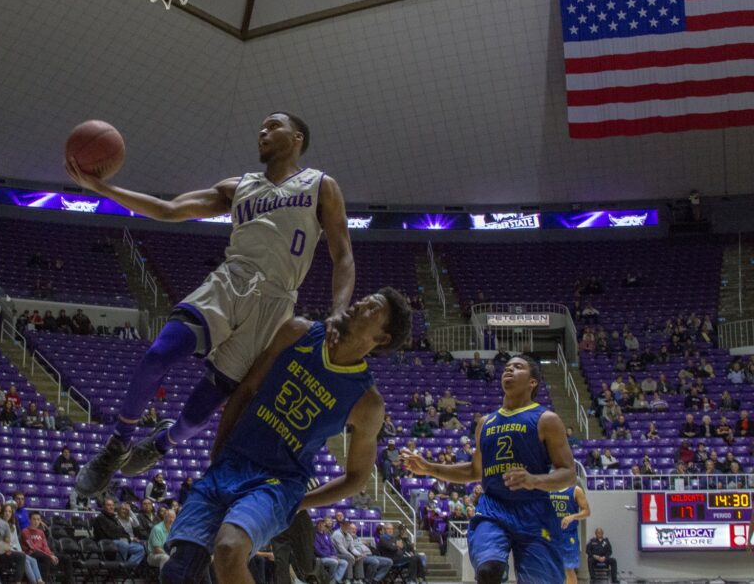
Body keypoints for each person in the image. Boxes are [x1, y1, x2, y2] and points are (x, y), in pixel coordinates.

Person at [70, 112, 356, 496]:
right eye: (261, 126)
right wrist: (104, 189)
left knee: (201, 413)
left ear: (298, 137)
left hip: (275, 305)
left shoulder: (321, 185)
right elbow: (169, 209)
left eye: (274, 126)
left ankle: (162, 444)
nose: (263, 131)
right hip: (228, 283)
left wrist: (339, 312)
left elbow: (343, 255)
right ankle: (117, 443)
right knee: (158, 355)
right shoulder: (238, 187)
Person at [159, 289, 411, 584]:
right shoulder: (298, 331)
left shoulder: (367, 402)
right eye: (365, 298)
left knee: (229, 549)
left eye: (373, 308)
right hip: (232, 461)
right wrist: (218, 452)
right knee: (177, 572)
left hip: (277, 482)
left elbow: (357, 478)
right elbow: (247, 388)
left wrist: (299, 502)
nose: (360, 303)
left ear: (382, 338)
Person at [401, 356, 576, 584]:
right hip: (493, 508)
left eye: (518, 367)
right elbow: (474, 471)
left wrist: (534, 480)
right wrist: (429, 468)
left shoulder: (547, 420)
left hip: (535, 510)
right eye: (508, 366)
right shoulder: (485, 423)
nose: (509, 369)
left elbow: (569, 473)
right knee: (488, 571)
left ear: (533, 382)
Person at [549, 484, 590, 584]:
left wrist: (572, 517)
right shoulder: (548, 489)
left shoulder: (576, 490)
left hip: (568, 535)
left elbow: (587, 511)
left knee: (568, 569)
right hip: (551, 534)